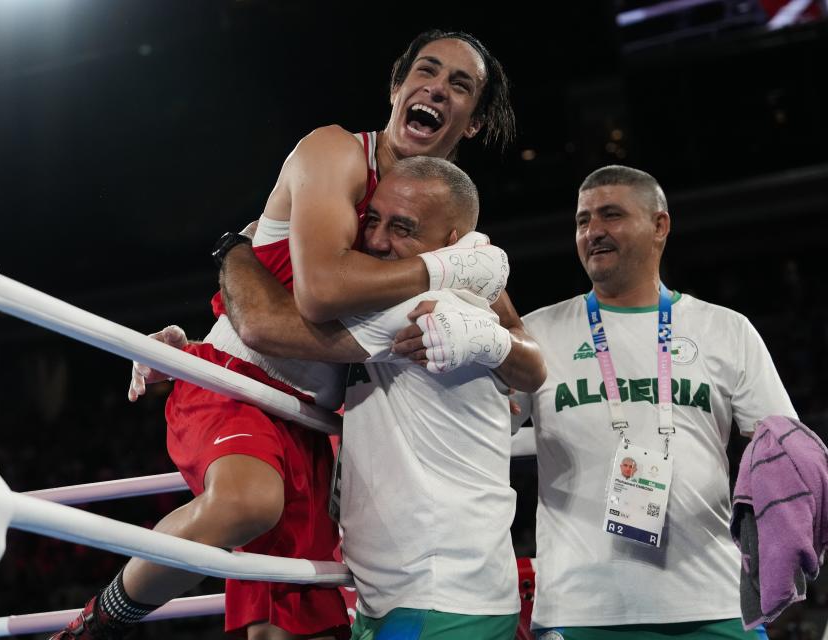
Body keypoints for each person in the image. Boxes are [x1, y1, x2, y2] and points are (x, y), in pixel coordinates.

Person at [51, 29, 529, 640]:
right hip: (238, 386)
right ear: (397, 86)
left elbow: (517, 341)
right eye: (427, 71)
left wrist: (497, 354)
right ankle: (93, 626)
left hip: (313, 430)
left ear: (475, 122)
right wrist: (444, 270)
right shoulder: (335, 154)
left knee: (287, 630)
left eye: (459, 84)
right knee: (246, 505)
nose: (437, 87)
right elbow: (319, 292)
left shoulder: (440, 217)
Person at [432, 165, 794, 639]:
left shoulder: (726, 329)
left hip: (712, 601)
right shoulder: (537, 334)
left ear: (660, 226)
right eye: (583, 221)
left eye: (611, 215)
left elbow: (783, 455)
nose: (593, 232)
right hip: (580, 610)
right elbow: (477, 430)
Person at [218, 155, 546, 639]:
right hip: (405, 597)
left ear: (451, 247)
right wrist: (190, 350)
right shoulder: (429, 305)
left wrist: (233, 248)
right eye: (372, 219)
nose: (375, 240)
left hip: (438, 600)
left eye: (402, 228)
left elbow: (261, 325)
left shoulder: (421, 307)